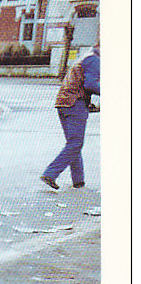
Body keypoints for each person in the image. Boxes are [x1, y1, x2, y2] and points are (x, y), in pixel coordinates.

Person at [41, 43, 100, 189]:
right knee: (75, 143)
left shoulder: (86, 57)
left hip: (63, 103)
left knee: (73, 143)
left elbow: (81, 83)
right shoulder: (94, 60)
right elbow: (90, 84)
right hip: (74, 104)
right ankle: (50, 173)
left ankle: (78, 181)